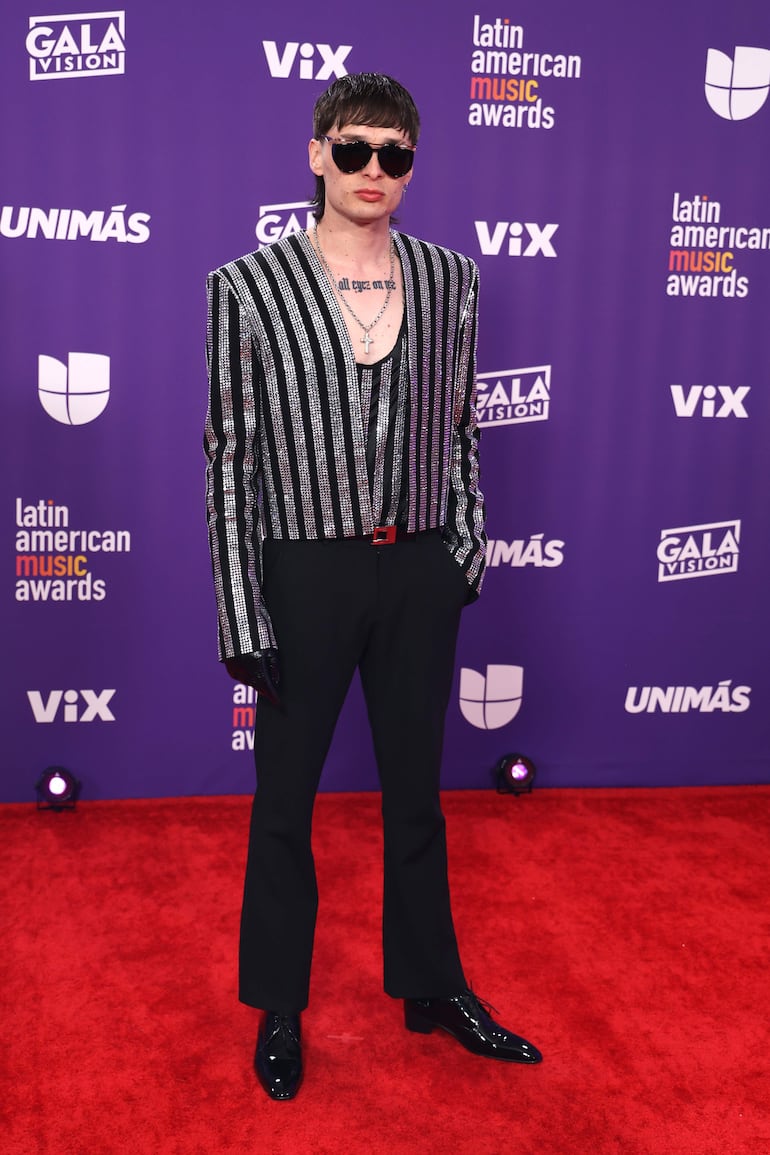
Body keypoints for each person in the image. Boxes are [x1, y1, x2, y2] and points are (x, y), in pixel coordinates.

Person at [204, 72, 542, 1101]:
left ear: (411, 165)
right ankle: (278, 1005)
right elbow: (229, 460)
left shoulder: (450, 278)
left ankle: (430, 986)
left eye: (393, 155)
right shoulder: (246, 287)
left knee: (415, 796)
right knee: (283, 802)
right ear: (315, 155)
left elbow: (462, 426)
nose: (372, 172)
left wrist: (464, 550)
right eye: (352, 151)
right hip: (303, 569)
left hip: (419, 565)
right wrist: (239, 606)